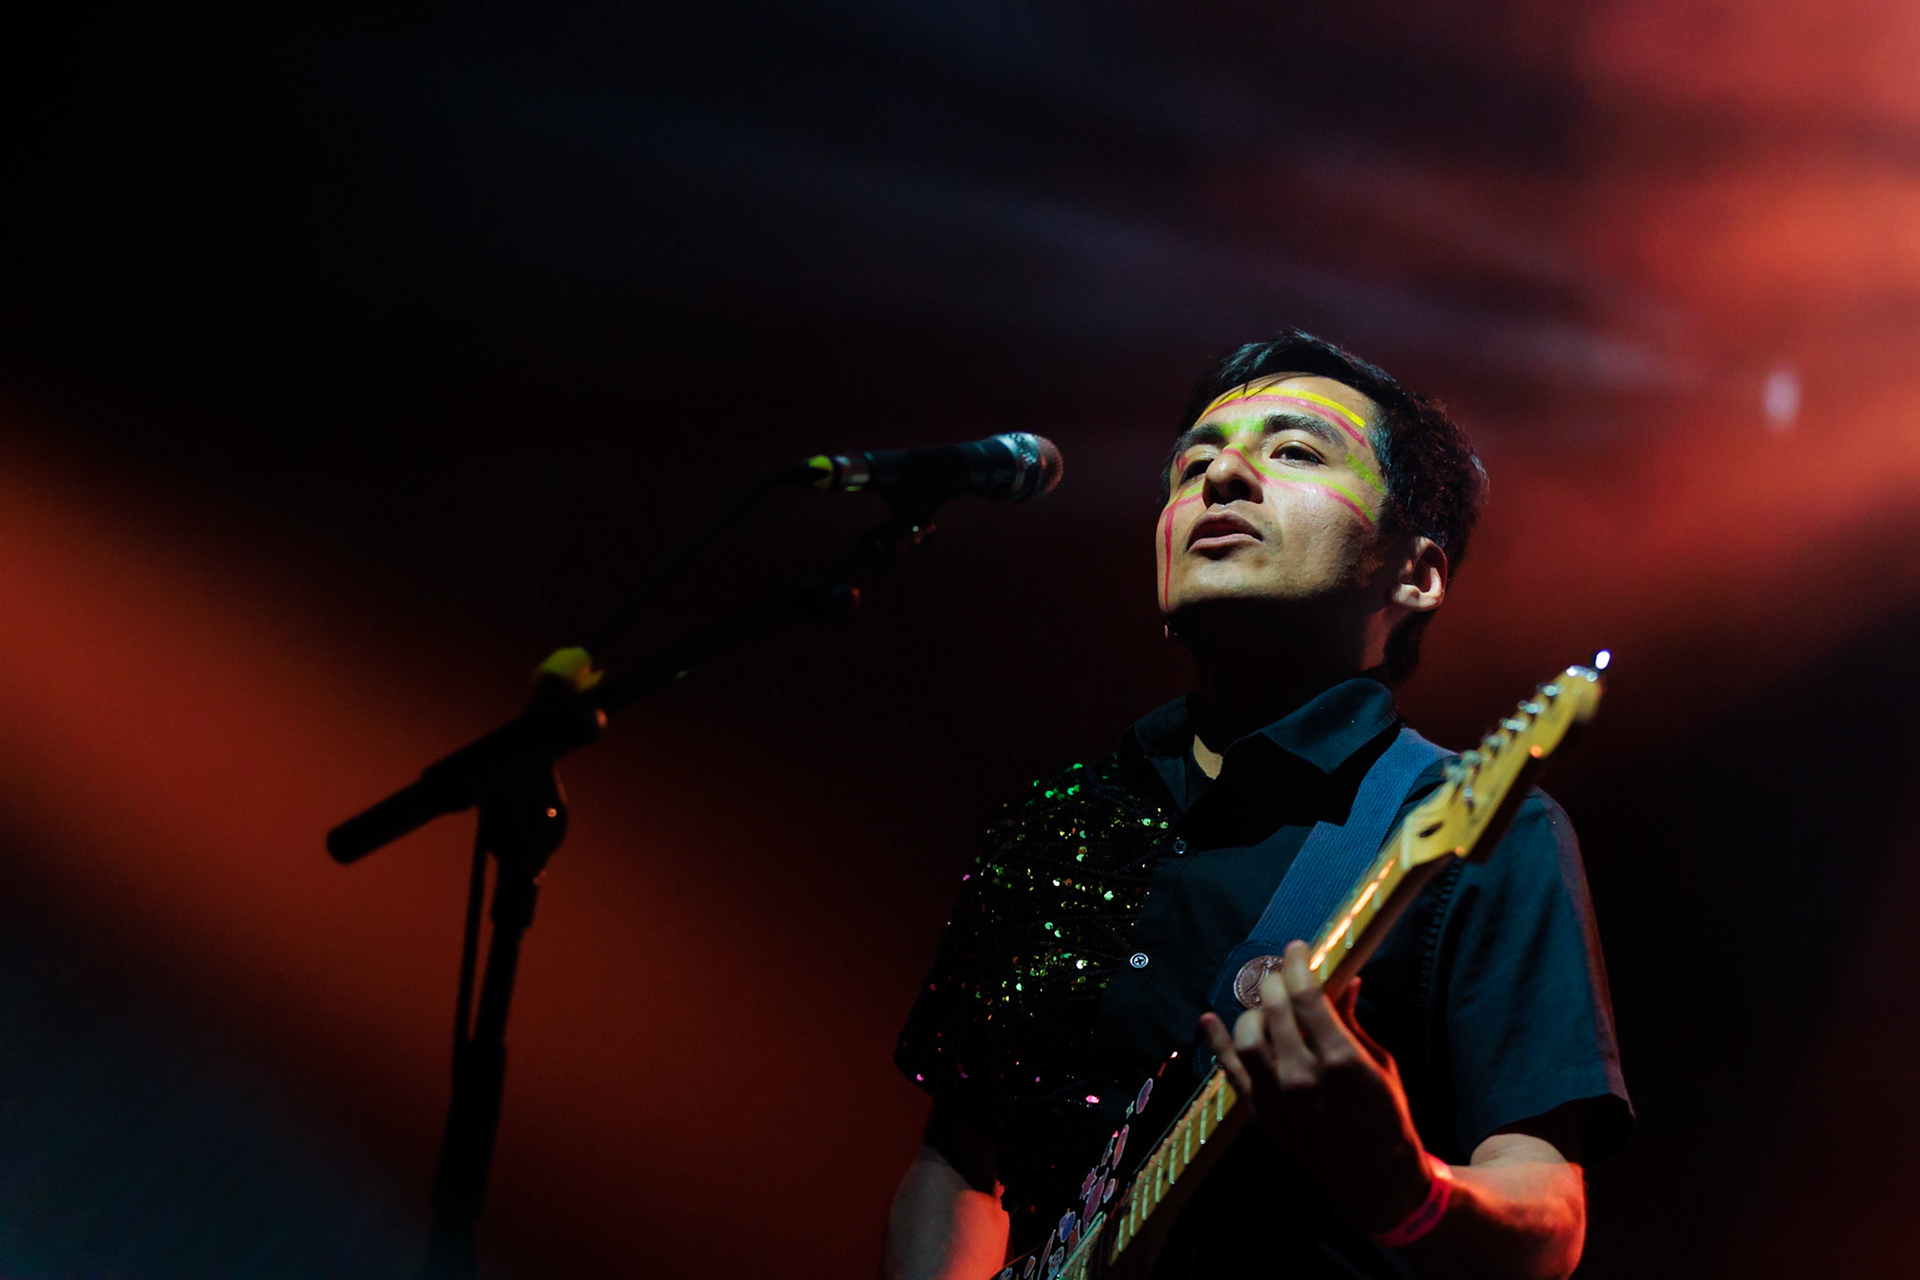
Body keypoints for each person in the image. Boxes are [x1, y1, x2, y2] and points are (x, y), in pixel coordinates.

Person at [884, 332, 1631, 1280]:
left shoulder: (1478, 824)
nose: (1222, 477)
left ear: (1417, 574)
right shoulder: (1050, 824)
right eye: (1192, 465)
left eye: (1295, 451)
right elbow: (955, 1159)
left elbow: (1548, 1221)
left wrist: (1409, 1192)